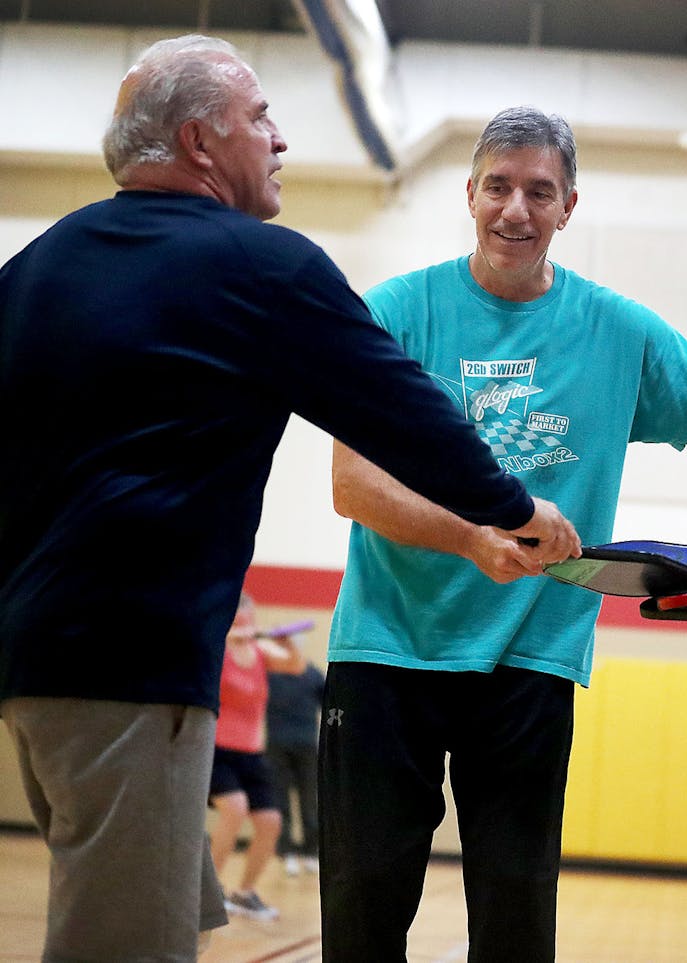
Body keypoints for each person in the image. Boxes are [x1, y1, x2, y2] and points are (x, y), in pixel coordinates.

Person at [0, 35, 578, 962]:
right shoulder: (261, 268)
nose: (279, 140)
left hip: (33, 670)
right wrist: (515, 509)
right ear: (198, 141)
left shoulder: (36, 266)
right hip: (133, 675)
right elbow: (403, 413)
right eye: (259, 118)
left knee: (145, 914)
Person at [319, 105, 687, 962]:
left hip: (530, 657)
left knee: (516, 916)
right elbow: (352, 485)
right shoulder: (398, 309)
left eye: (539, 191)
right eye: (499, 187)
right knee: (365, 907)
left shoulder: (618, 331)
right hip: (387, 649)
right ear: (470, 193)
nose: (516, 208)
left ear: (568, 207)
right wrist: (473, 539)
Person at [210, 593, 307, 921]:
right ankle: (207, 892)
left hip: (251, 753)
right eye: (239, 618)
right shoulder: (217, 647)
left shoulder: (260, 651)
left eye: (248, 617)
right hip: (217, 751)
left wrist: (287, 642)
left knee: (270, 822)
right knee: (234, 809)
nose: (245, 623)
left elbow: (295, 665)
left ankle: (245, 893)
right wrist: (229, 635)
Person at [264, 629, 325, 878]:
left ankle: (312, 852)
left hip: (307, 746)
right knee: (280, 802)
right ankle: (287, 852)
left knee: (310, 801)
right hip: (277, 746)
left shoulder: (311, 674)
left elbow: (329, 705)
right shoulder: (269, 675)